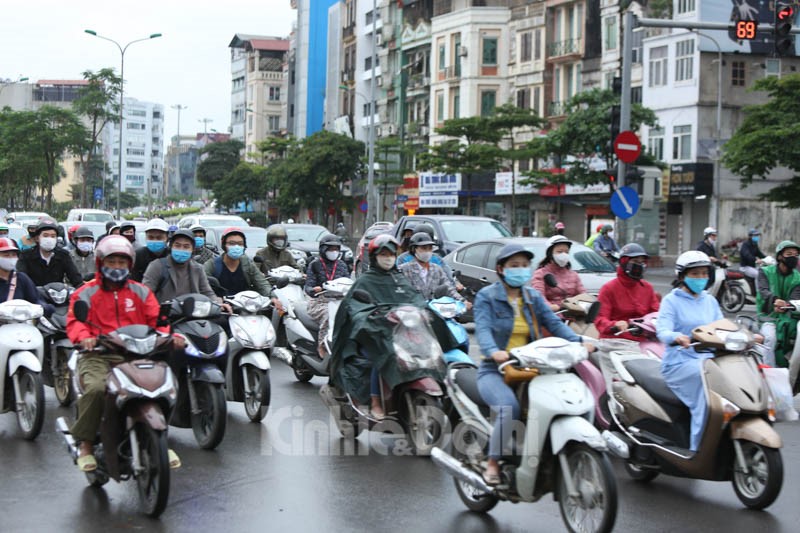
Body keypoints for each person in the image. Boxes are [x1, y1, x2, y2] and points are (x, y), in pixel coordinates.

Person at [474, 243, 593, 484]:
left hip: (533, 367)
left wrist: (582, 341)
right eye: (513, 266)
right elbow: (483, 328)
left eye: (524, 265)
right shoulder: (486, 296)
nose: (520, 270)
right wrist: (493, 351)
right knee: (509, 408)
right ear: (501, 269)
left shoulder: (532, 297)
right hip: (495, 369)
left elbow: (556, 324)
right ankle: (492, 461)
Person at [66, 235, 184, 472]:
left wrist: (169, 336)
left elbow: (158, 319)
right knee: (97, 390)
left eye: (122, 262)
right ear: (100, 263)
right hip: (99, 355)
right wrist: (85, 338)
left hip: (137, 354)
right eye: (112, 262)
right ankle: (86, 445)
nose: (117, 267)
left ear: (129, 264)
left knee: (165, 387)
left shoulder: (140, 292)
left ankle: (160, 436)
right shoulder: (86, 293)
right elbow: (75, 322)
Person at [657, 251, 723, 452]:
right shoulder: (671, 301)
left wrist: (747, 335)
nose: (701, 278)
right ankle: (698, 449)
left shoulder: (709, 300)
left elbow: (722, 326)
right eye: (695, 274)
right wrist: (676, 337)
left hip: (708, 359)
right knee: (705, 393)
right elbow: (663, 330)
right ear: (682, 276)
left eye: (704, 273)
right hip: (680, 362)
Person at [142, 229, 228, 310]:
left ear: (192, 249)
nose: (181, 249)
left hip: (193, 315)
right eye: (177, 245)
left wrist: (218, 305)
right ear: (171, 247)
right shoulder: (157, 266)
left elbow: (207, 292)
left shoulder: (198, 268)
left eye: (186, 246)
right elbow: (145, 294)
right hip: (165, 317)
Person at [594, 243, 660, 341]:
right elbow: (600, 319)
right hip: (617, 341)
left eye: (642, 262)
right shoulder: (608, 288)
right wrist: (615, 324)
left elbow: (656, 314)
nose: (639, 265)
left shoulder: (647, 288)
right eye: (635, 261)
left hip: (643, 341)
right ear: (624, 262)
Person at [757, 240, 800, 385]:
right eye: (789, 254)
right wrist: (774, 300)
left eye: (796, 255)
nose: (793, 257)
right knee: (771, 339)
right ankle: (770, 377)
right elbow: (763, 291)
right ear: (780, 256)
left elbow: (795, 297)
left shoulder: (797, 277)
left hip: (788, 317)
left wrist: (787, 305)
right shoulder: (765, 271)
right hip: (768, 317)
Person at [304, 234, 350, 358]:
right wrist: (314, 289)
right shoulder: (315, 264)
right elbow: (308, 286)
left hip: (339, 300)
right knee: (329, 315)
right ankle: (323, 345)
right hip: (320, 301)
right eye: (330, 249)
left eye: (336, 249)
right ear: (323, 249)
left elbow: (348, 282)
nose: (333, 252)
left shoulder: (341, 265)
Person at [204, 227, 275, 299]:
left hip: (246, 305)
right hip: (221, 306)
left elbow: (261, 282)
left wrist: (272, 297)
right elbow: (202, 286)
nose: (236, 247)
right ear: (224, 245)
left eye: (240, 244)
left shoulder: (247, 264)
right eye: (232, 243)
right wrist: (215, 300)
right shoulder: (213, 264)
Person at [398, 232, 466, 303]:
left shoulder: (436, 269)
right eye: (424, 248)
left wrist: (462, 301)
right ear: (414, 249)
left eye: (429, 248)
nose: (427, 251)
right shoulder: (404, 269)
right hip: (412, 310)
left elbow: (448, 287)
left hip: (434, 309)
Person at [16, 218, 83, 288]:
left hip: (58, 296)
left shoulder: (63, 255)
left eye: (53, 236)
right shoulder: (26, 255)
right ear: (37, 238)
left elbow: (75, 278)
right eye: (45, 235)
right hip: (33, 295)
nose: (49, 239)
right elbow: (21, 279)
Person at [0, 237, 53, 315]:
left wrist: (43, 308)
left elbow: (36, 300)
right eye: (6, 255)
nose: (11, 258)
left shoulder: (21, 278)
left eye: (14, 255)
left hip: (18, 325)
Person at [532, 235, 586, 311]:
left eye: (566, 252)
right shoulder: (541, 274)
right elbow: (539, 297)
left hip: (572, 316)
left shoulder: (574, 275)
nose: (564, 255)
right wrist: (552, 307)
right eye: (560, 252)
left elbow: (583, 295)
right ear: (550, 253)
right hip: (551, 316)